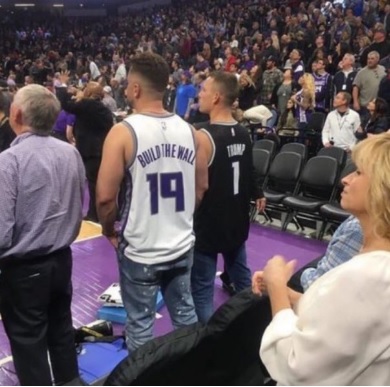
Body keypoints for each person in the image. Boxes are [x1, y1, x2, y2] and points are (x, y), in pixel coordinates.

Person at [255, 133, 390, 385]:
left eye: (359, 173)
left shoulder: (367, 277)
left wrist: (276, 289)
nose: (345, 179)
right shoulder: (372, 267)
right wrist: (286, 293)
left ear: (382, 187)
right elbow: (337, 319)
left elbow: (297, 367)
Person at [96, 52, 209, 352]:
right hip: (182, 243)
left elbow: (106, 198)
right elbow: (201, 188)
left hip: (142, 248)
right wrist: (180, 219)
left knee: (140, 325)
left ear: (134, 89)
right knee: (186, 317)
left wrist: (109, 229)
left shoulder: (123, 132)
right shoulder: (191, 131)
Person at [0, 84, 85, 385]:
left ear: (17, 113)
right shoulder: (70, 153)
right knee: (61, 332)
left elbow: (1, 233)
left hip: (25, 269)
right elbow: (80, 207)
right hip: (62, 260)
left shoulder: (9, 162)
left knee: (28, 342)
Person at [191, 71, 266, 323]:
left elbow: (199, 188)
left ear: (216, 97)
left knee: (201, 289)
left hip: (209, 223)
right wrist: (258, 192)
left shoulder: (203, 136)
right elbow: (248, 170)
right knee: (242, 278)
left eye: (203, 89)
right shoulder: (243, 132)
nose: (199, 93)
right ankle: (252, 323)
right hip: (236, 219)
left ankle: (208, 343)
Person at [57, 76, 114, 223]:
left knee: (93, 183)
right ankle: (105, 212)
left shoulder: (86, 105)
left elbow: (64, 104)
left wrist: (63, 85)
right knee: (100, 183)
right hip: (101, 149)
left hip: (88, 151)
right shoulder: (103, 109)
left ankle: (94, 214)